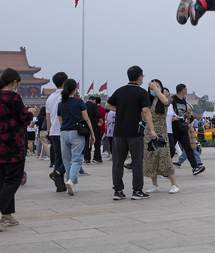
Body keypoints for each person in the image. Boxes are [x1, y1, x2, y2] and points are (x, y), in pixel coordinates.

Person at [0, 69, 34, 231]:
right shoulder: (13, 97)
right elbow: (24, 117)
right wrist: (31, 112)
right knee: (14, 179)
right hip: (13, 144)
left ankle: (7, 215)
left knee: (3, 180)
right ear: (15, 82)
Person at [105, 66, 156, 201]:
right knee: (137, 162)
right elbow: (146, 111)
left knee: (118, 162)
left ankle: (118, 191)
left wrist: (122, 110)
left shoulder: (120, 91)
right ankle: (137, 190)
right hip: (135, 132)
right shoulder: (141, 92)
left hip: (119, 132)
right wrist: (152, 130)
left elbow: (107, 106)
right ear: (139, 77)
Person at [57, 79, 94, 195]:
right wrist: (92, 133)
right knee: (77, 160)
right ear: (75, 89)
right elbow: (86, 118)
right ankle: (71, 181)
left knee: (67, 161)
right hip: (77, 133)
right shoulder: (79, 102)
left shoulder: (60, 104)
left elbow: (60, 122)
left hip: (64, 133)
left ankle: (71, 183)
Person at [142, 79, 178, 195]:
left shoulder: (166, 99)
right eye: (151, 87)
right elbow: (143, 118)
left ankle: (174, 185)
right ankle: (155, 185)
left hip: (161, 132)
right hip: (149, 132)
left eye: (157, 86)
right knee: (151, 158)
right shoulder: (147, 102)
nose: (153, 89)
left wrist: (156, 89)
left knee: (164, 157)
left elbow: (166, 101)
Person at [168, 84, 204, 174]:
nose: (187, 91)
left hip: (182, 128)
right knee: (171, 150)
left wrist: (187, 115)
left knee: (188, 147)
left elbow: (183, 113)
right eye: (186, 89)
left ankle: (195, 167)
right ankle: (165, 168)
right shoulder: (172, 100)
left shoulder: (183, 101)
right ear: (183, 91)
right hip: (174, 127)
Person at [46, 72, 68, 192]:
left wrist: (49, 131)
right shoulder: (66, 96)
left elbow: (48, 117)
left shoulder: (50, 98)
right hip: (63, 130)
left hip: (53, 131)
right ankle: (57, 173)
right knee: (69, 157)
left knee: (58, 158)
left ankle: (60, 184)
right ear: (65, 82)